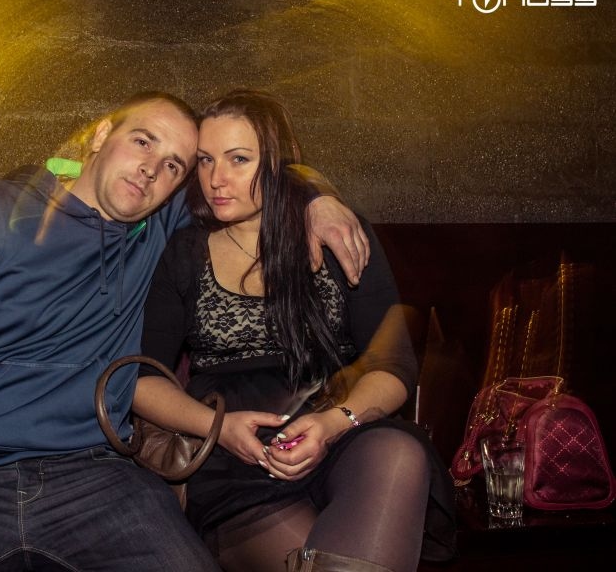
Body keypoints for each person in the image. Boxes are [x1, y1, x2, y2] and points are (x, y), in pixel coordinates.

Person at [0, 90, 370, 572]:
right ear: (99, 135)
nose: (151, 170)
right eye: (142, 141)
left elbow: (257, 179)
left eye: (174, 165)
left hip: (96, 476)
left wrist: (317, 197)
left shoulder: (161, 224)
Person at [135, 90, 456, 572]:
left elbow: (394, 366)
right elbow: (142, 379)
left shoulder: (339, 235)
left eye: (238, 159)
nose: (216, 179)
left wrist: (333, 424)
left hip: (339, 431)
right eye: (205, 160)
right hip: (237, 459)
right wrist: (218, 429)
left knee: (398, 452)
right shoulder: (183, 252)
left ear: (278, 162)